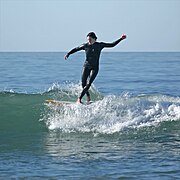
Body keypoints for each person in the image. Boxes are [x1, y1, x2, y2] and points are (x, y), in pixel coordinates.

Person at [64, 32, 126, 104]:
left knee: (89, 84)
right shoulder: (85, 45)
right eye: (88, 39)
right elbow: (76, 49)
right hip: (86, 66)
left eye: (90, 39)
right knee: (83, 84)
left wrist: (121, 39)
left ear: (94, 39)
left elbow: (112, 45)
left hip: (94, 67)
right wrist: (68, 54)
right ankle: (88, 97)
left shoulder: (99, 45)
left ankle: (79, 99)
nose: (89, 41)